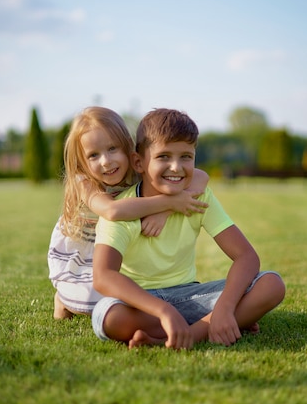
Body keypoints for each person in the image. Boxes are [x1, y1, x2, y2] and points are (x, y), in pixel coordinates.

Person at [91, 108, 286, 349]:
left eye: (186, 156)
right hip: (141, 304)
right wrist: (164, 311)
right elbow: (103, 277)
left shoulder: (199, 197)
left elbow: (246, 256)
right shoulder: (123, 210)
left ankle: (192, 332)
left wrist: (224, 307)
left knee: (271, 285)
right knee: (108, 317)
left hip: (191, 297)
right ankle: (211, 324)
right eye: (163, 157)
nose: (176, 167)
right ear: (138, 162)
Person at [48, 106, 209, 320]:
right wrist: (170, 201)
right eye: (94, 155)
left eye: (112, 149)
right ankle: (63, 299)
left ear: (128, 149)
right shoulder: (84, 182)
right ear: (82, 161)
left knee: (135, 296)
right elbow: (112, 211)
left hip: (120, 250)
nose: (106, 161)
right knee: (96, 301)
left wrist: (166, 210)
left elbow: (201, 176)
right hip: (84, 252)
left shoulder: (136, 169)